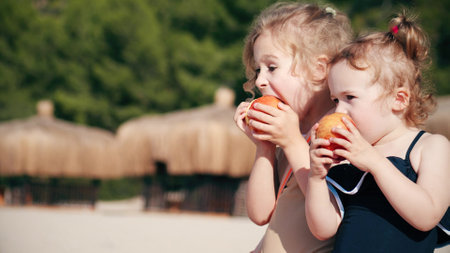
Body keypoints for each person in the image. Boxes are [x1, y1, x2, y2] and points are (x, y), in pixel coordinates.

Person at [305, 11, 450, 252]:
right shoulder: (349, 157)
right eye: (335, 100)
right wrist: (316, 178)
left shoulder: (431, 146)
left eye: (350, 97)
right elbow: (323, 229)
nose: (338, 110)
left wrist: (375, 163)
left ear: (399, 99)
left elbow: (427, 215)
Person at [233, 2, 352, 252]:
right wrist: (264, 147)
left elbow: (329, 211)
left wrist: (292, 143)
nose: (261, 81)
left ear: (318, 69)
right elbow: (260, 214)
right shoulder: (294, 132)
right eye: (258, 70)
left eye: (272, 67)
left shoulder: (338, 131)